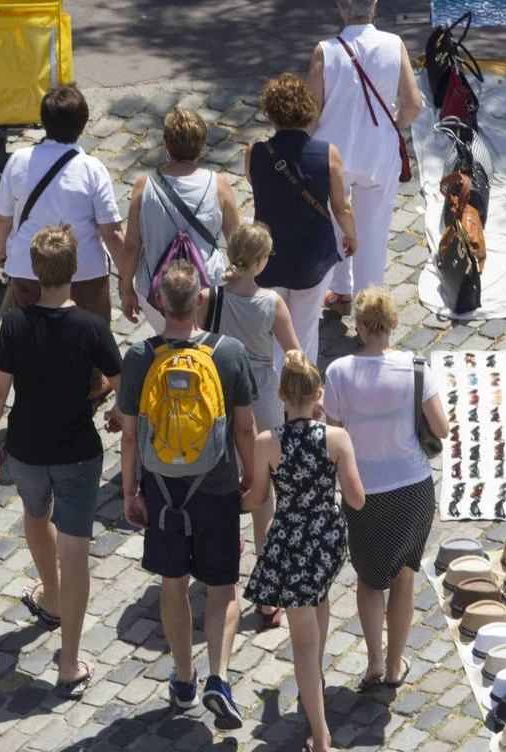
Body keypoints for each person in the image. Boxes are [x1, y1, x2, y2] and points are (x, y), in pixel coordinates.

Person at [0, 225, 124, 700]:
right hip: (78, 452)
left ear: (35, 271)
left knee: (35, 516)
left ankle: (53, 598)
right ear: (74, 271)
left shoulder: (15, 324)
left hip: (26, 450)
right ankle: (69, 661)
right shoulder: (92, 328)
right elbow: (125, 387)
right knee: (77, 551)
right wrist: (122, 415)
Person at [117, 259, 257, 729]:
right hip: (215, 485)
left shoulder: (140, 358)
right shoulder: (230, 353)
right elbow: (244, 426)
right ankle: (218, 676)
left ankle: (183, 679)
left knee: (172, 585)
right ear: (201, 299)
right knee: (223, 588)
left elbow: (131, 436)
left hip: (161, 489)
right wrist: (252, 478)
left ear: (159, 303)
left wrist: (130, 490)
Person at [321, 286, 448, 690]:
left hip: (364, 490)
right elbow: (442, 429)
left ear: (358, 326)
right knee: (405, 574)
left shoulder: (338, 372)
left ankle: (374, 662)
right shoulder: (416, 369)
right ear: (394, 323)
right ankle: (395, 667)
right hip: (412, 489)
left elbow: (335, 434)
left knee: (370, 578)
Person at [243, 351, 365, 752]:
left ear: (280, 394)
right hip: (327, 540)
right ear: (319, 396)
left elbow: (258, 498)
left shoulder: (266, 443)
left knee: (303, 645)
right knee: (320, 600)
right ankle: (315, 682)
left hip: (292, 543)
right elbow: (357, 500)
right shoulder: (336, 438)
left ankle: (322, 735)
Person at [200, 223, 301, 629]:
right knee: (264, 500)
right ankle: (267, 593)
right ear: (259, 262)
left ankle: (219, 574)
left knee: (223, 485)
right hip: (261, 398)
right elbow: (293, 352)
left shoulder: (210, 297)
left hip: (221, 394)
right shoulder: (272, 303)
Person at [307, 0, 423, 315]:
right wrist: (392, 122)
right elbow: (413, 104)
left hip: (332, 155)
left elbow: (310, 112)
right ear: (374, 6)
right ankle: (370, 310)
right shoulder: (393, 44)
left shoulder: (325, 50)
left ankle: (340, 288)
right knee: (374, 231)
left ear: (339, 8)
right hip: (378, 153)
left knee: (335, 220)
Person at [246, 73, 358, 368]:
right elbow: (341, 206)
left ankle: (275, 390)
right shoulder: (328, 153)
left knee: (274, 329)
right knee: (304, 331)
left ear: (270, 113)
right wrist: (351, 236)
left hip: (269, 257)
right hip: (313, 257)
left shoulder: (255, 152)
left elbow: (257, 187)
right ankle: (300, 392)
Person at [0, 84, 124, 327]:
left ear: (44, 121)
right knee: (91, 348)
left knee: (31, 346)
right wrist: (127, 276)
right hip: (85, 273)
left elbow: (3, 219)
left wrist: (3, 252)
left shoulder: (19, 161)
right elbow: (112, 233)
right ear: (83, 123)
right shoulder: (92, 169)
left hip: (28, 269)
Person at [118, 107, 240, 330]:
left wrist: (126, 290)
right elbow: (237, 243)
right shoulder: (219, 185)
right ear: (202, 143)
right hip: (206, 290)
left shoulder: (144, 186)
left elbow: (131, 247)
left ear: (166, 143)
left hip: (156, 292)